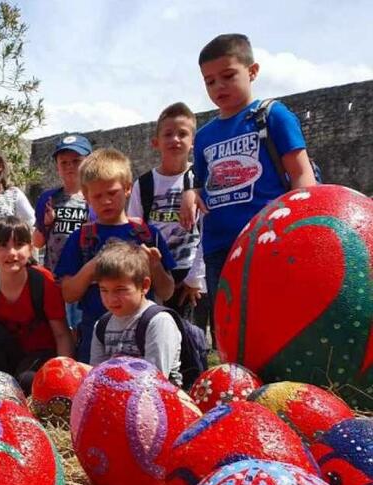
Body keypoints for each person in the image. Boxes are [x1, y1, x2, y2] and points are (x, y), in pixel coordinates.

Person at [182, 33, 316, 312]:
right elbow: (203, 184)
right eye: (209, 81)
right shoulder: (205, 136)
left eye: (228, 76)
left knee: (276, 317)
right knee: (230, 329)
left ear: (252, 71)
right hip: (220, 246)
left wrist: (303, 232)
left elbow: (302, 175)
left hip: (268, 240)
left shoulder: (273, 115)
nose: (218, 86)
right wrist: (190, 193)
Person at [56, 149, 177, 363]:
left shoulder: (148, 235)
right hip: (95, 335)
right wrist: (91, 268)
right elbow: (67, 294)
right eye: (98, 196)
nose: (106, 201)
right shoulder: (81, 239)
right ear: (86, 196)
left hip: (142, 334)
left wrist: (155, 266)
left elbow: (166, 292)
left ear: (128, 188)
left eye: (112, 193)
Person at [0, 216, 73, 392]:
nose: (12, 252)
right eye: (3, 246)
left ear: (30, 249)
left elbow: (61, 334)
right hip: (6, 357)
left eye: (19, 244)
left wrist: (65, 376)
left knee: (28, 381)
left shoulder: (43, 282)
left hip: (39, 356)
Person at [127, 103, 207, 325]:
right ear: (156, 142)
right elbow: (135, 231)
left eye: (183, 134)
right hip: (156, 271)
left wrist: (195, 277)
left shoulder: (201, 180)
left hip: (191, 273)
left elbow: (208, 230)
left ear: (193, 142)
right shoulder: (143, 184)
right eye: (168, 134)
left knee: (192, 339)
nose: (175, 139)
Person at [89, 240, 182, 385]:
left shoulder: (158, 321)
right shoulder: (101, 325)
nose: (111, 299)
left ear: (144, 286)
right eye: (104, 290)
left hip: (158, 401)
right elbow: (95, 376)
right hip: (115, 400)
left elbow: (155, 379)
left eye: (120, 290)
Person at [32, 134, 96, 332]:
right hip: (55, 280)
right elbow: (38, 242)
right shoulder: (49, 198)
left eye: (76, 161)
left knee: (81, 329)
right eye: (64, 162)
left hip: (85, 279)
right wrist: (46, 223)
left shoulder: (95, 197)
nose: (70, 166)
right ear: (57, 166)